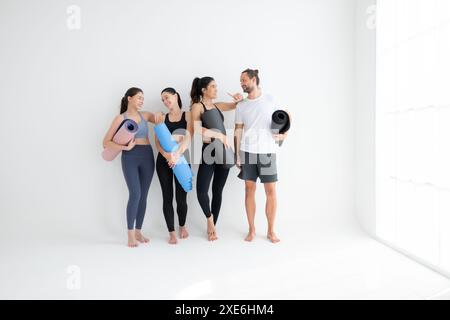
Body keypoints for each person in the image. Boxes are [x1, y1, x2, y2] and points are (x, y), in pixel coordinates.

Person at [234, 69, 290, 243]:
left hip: (267, 152)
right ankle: (251, 230)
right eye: (240, 81)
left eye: (244, 80)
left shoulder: (270, 99)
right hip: (248, 152)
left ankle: (271, 231)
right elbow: (238, 130)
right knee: (249, 190)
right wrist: (237, 154)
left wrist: (283, 136)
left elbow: (286, 119)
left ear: (254, 79)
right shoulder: (241, 105)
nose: (241, 83)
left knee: (271, 191)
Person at [103, 87, 163, 247]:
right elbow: (105, 142)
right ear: (129, 98)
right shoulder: (120, 118)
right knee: (135, 193)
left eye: (143, 98)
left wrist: (158, 115)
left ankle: (138, 231)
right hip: (130, 157)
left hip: (147, 156)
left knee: (143, 195)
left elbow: (158, 118)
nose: (142, 101)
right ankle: (130, 234)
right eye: (139, 98)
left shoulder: (145, 115)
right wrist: (125, 148)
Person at [190, 76, 243, 241]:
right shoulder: (198, 107)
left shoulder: (218, 106)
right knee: (201, 191)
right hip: (209, 152)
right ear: (204, 90)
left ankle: (213, 226)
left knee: (217, 191)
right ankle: (209, 218)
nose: (216, 89)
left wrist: (239, 99)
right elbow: (198, 129)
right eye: (213, 86)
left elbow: (236, 106)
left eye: (216, 86)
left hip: (225, 151)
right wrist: (219, 134)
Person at [155, 87, 193, 245]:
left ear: (176, 96)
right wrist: (167, 155)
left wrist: (177, 155)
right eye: (162, 100)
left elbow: (189, 136)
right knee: (167, 197)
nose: (165, 101)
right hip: (164, 160)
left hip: (181, 159)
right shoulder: (162, 117)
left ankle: (182, 226)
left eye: (167, 97)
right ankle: (171, 232)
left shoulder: (188, 115)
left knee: (181, 197)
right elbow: (157, 142)